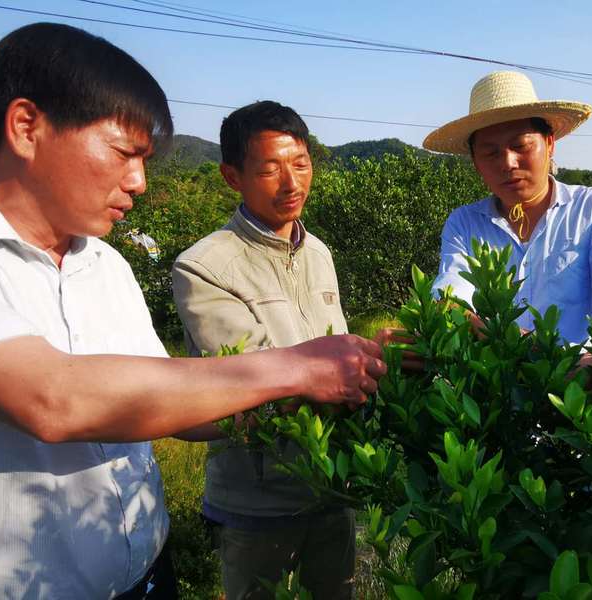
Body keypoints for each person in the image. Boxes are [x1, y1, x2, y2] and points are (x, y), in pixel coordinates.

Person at [0, 23, 384, 599]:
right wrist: (301, 368)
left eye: (146, 160)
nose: (139, 182)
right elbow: (53, 398)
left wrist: (359, 377)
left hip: (148, 575)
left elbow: (179, 410)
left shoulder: (104, 264)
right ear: (27, 127)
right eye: (123, 153)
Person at [170, 101, 370, 600]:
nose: (291, 183)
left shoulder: (319, 252)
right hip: (256, 500)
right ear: (232, 176)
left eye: (300, 163)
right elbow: (247, 388)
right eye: (269, 169)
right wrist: (362, 361)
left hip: (332, 483)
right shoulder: (204, 266)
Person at [424, 71, 592, 347]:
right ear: (475, 162)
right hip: (492, 385)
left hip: (586, 378)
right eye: (490, 152)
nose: (508, 163)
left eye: (520, 145)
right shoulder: (464, 223)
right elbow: (450, 298)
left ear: (549, 144)